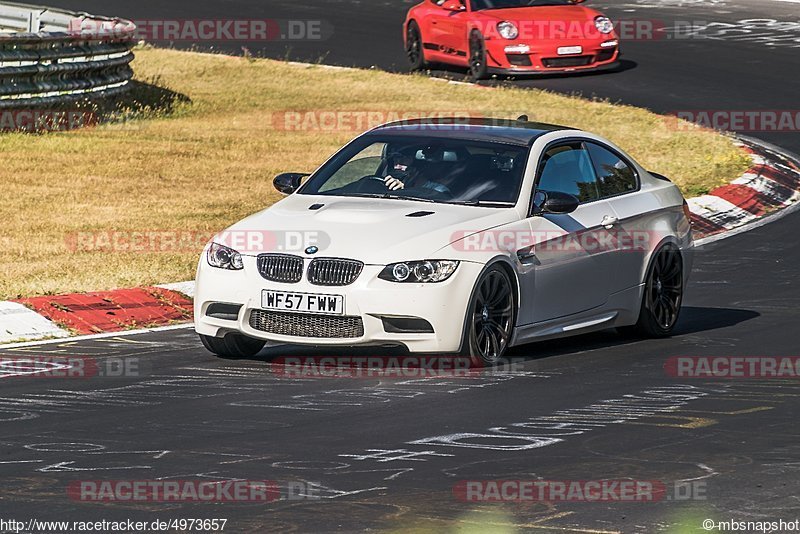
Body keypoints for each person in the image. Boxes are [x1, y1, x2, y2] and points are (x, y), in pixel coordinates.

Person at [382, 149, 452, 195]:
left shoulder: (439, 191)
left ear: (417, 166)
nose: (396, 167)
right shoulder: (391, 184)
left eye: (404, 160)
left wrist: (403, 193)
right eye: (395, 160)